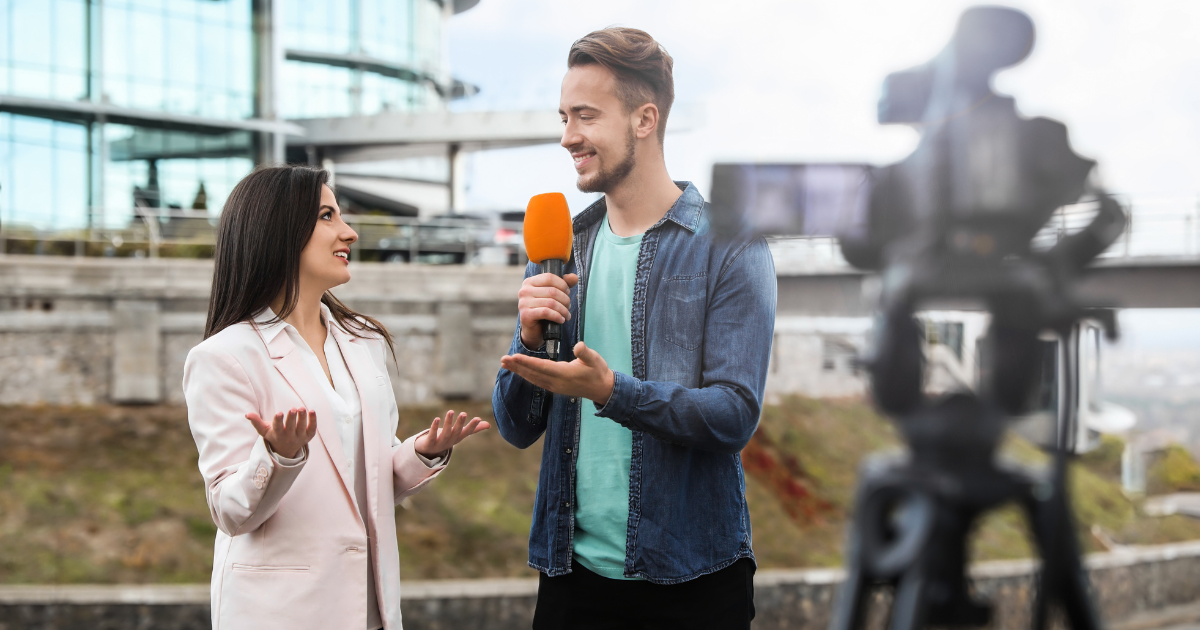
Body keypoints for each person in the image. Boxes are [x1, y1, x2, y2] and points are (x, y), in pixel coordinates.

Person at [492, 27, 777, 630]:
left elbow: (734, 414)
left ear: (644, 119)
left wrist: (611, 392)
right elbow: (517, 427)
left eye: (586, 116)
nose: (567, 136)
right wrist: (528, 338)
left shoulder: (730, 246)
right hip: (571, 581)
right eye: (564, 116)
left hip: (694, 583)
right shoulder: (561, 248)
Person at [183, 165, 488, 630]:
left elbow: (364, 478)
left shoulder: (362, 342)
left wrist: (421, 454)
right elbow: (229, 510)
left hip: (370, 609)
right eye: (327, 216)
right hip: (280, 614)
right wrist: (278, 457)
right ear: (278, 230)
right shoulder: (223, 357)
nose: (350, 232)